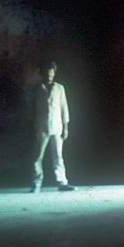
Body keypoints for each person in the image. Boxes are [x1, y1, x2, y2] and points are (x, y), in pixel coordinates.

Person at [29, 60, 74, 193]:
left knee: (58, 156)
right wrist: (31, 126)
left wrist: (66, 127)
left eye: (51, 74)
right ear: (41, 73)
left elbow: (64, 108)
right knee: (38, 156)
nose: (49, 76)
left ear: (54, 73)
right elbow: (31, 109)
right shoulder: (36, 89)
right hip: (41, 127)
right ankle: (36, 183)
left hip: (57, 126)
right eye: (47, 74)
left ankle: (62, 182)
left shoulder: (60, 88)